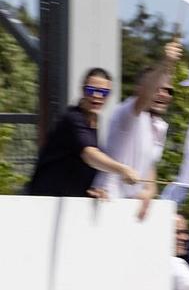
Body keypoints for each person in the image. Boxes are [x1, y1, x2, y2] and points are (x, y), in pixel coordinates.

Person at [94, 40, 183, 214]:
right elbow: (144, 97)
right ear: (141, 89)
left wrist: (149, 190)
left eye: (169, 91)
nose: (163, 95)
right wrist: (166, 63)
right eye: (158, 89)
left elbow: (149, 163)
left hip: (130, 209)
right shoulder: (127, 113)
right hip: (107, 202)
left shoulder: (159, 125)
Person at [25, 68, 143, 198]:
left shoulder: (93, 121)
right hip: (44, 201)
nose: (97, 96)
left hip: (67, 201)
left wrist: (91, 190)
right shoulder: (73, 119)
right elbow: (90, 155)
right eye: (91, 90)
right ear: (83, 90)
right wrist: (122, 169)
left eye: (103, 92)